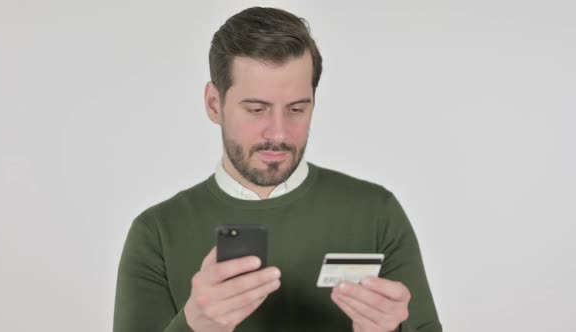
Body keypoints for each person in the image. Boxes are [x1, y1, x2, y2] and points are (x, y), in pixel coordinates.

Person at [113, 6, 441, 332]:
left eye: (297, 109)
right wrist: (195, 325)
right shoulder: (156, 233)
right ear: (215, 104)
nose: (279, 133)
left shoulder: (376, 213)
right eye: (257, 109)